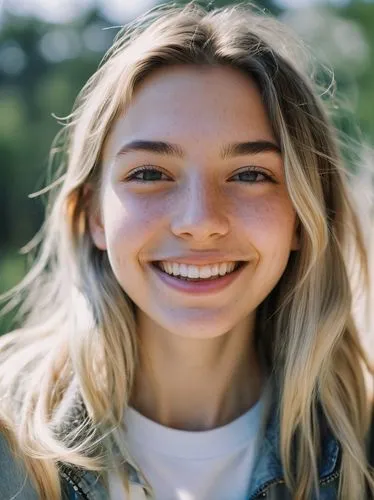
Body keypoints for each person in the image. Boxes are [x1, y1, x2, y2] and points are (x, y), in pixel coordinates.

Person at [0, 2, 373, 499]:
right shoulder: (10, 448)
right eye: (150, 173)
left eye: (250, 175)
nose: (200, 222)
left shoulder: (361, 453)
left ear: (305, 217)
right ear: (93, 215)